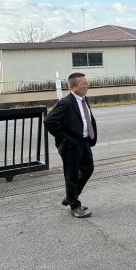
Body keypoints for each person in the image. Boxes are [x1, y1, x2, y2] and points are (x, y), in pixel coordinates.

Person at [43, 72, 97, 219]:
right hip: (71, 145)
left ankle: (70, 196)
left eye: (86, 83)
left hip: (84, 141)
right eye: (83, 84)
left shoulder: (84, 99)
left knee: (88, 169)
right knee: (71, 175)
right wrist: (64, 138)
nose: (86, 86)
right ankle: (74, 206)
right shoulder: (66, 103)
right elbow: (48, 121)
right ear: (72, 87)